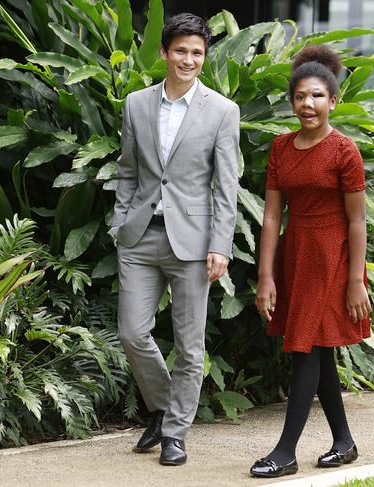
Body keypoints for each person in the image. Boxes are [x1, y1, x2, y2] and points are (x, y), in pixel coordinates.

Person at [108, 13, 240, 466]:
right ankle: (165, 408)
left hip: (194, 242)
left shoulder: (222, 111)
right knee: (132, 332)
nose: (188, 59)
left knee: (190, 343)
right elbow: (128, 170)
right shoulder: (136, 104)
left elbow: (226, 186)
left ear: (205, 56)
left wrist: (220, 244)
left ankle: (175, 433)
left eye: (197, 53)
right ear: (164, 52)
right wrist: (120, 224)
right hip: (140, 237)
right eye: (180, 51)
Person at [249, 44, 371, 478]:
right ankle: (344, 441)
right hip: (296, 253)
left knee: (304, 349)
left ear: (333, 101)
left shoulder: (344, 151)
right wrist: (266, 275)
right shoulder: (281, 148)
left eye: (318, 96)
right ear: (292, 102)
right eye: (301, 96)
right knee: (319, 351)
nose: (308, 104)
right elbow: (270, 215)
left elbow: (357, 222)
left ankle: (285, 451)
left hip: (333, 257)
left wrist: (355, 280)